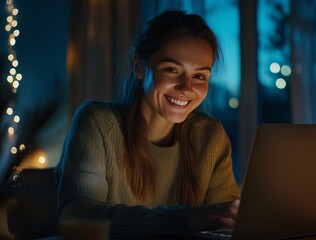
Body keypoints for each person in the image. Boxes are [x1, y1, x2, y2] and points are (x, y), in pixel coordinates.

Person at [54, 9, 240, 239]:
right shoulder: (97, 122)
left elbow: (226, 221)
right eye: (172, 70)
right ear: (139, 66)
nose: (186, 88)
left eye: (199, 76)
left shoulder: (210, 136)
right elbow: (77, 214)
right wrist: (185, 219)